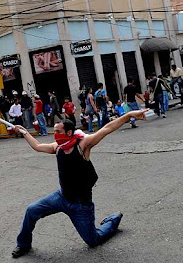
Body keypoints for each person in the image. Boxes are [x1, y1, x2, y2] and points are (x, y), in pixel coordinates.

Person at [11, 110, 147, 258]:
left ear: (69, 132)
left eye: (58, 131)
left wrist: (128, 116)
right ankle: (23, 244)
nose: (55, 134)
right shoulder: (57, 147)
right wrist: (24, 132)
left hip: (81, 204)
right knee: (31, 210)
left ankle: (113, 219)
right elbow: (37, 146)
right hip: (61, 197)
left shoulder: (83, 145)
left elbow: (107, 128)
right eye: (54, 131)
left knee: (93, 240)